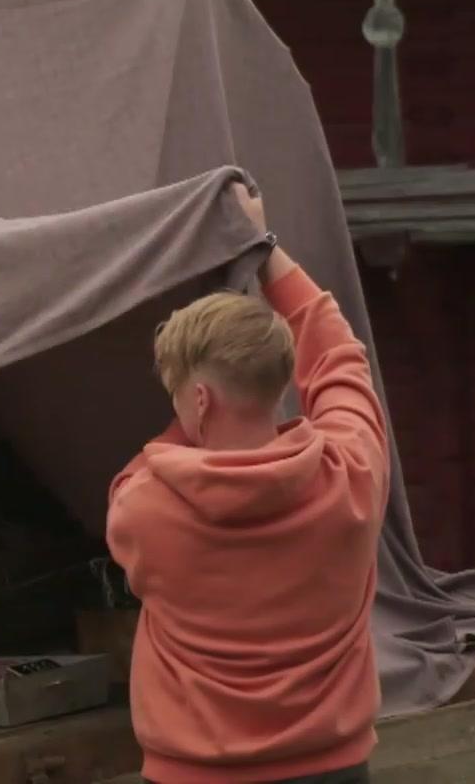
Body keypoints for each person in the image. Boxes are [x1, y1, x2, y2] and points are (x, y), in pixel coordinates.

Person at [106, 182, 388, 784]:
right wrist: (263, 245)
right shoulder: (353, 473)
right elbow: (338, 354)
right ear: (280, 379)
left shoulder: (142, 507)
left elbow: (149, 462)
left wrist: (192, 422)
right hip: (334, 770)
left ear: (200, 400)